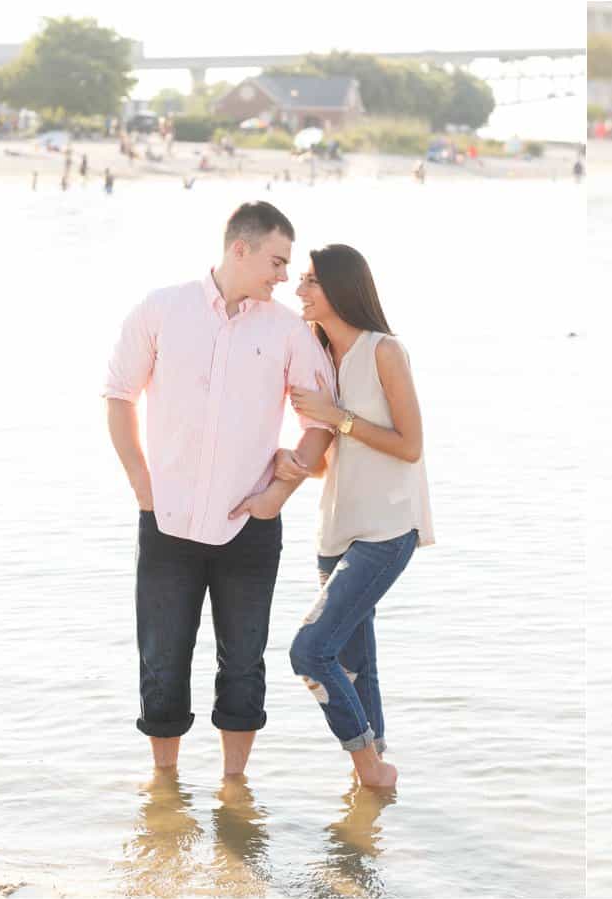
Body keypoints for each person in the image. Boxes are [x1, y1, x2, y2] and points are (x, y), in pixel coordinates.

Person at [104, 201, 337, 776]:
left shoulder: (288, 331)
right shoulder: (162, 309)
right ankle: (165, 785)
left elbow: (321, 423)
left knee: (244, 662)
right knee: (161, 659)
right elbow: (118, 394)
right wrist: (143, 487)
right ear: (242, 249)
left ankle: (235, 789)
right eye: (278, 261)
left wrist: (278, 495)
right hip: (166, 523)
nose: (285, 276)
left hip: (251, 528)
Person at [274, 243, 434, 789]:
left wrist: (338, 418)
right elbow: (327, 463)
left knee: (308, 650)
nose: (300, 290)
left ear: (342, 287)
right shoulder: (319, 355)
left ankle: (370, 767)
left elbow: (410, 445)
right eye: (299, 279)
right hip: (335, 530)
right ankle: (373, 782)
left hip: (387, 530)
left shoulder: (385, 351)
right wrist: (290, 462)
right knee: (352, 662)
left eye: (311, 281)